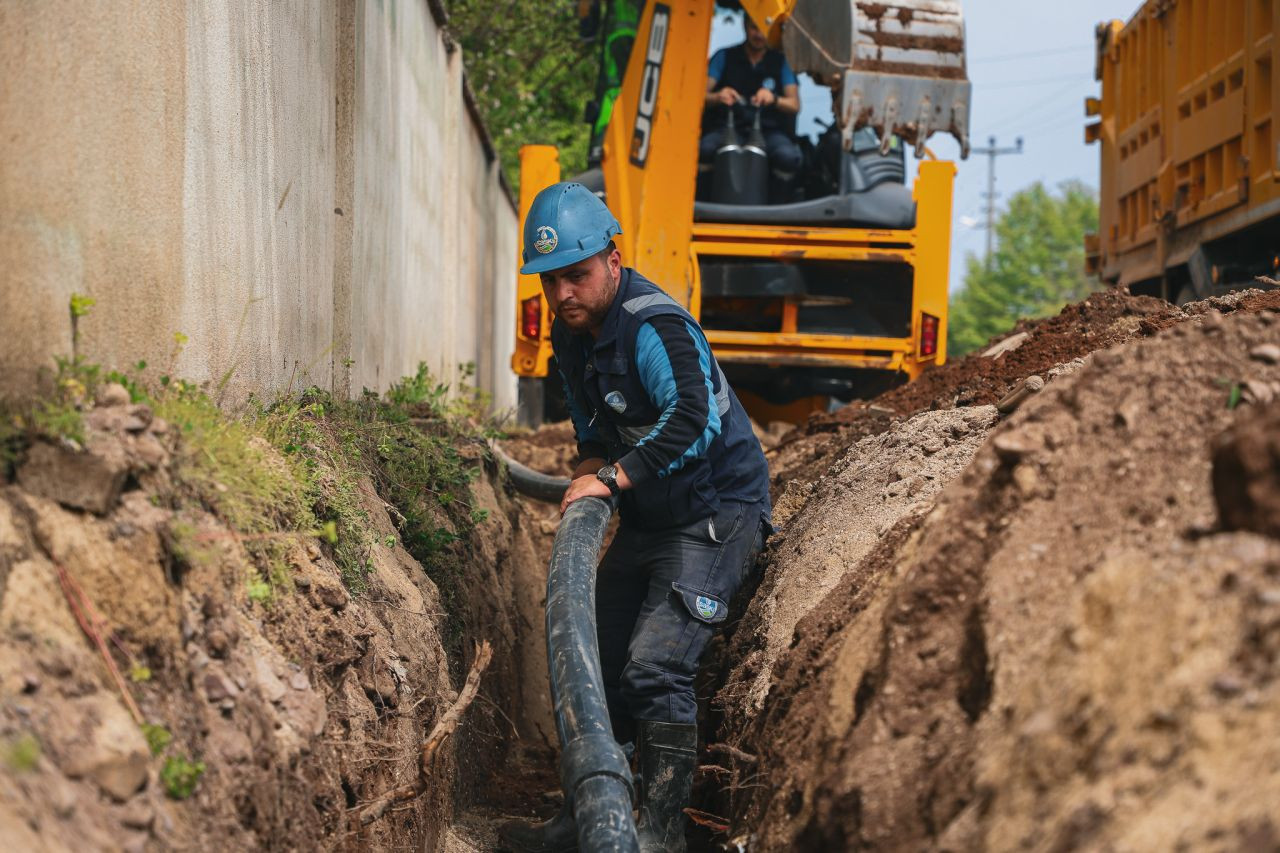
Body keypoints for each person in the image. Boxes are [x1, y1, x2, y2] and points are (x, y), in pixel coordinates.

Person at [497, 183, 771, 853]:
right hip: (652, 512)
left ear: (613, 262)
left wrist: (611, 479)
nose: (563, 293)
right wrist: (593, 464)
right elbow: (590, 424)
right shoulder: (574, 332)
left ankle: (660, 832)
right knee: (599, 659)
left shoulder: (654, 326)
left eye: (577, 275)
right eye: (550, 281)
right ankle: (593, 812)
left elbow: (693, 419)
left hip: (714, 511)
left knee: (654, 668)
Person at [700, 15, 802, 178]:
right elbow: (699, 97)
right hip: (727, 127)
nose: (759, 35)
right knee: (704, 150)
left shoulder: (782, 62)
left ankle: (777, 194)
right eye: (754, 28)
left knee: (787, 158)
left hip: (769, 131)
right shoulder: (724, 56)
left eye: (763, 29)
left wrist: (774, 99)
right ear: (745, 26)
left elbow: (794, 105)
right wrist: (718, 96)